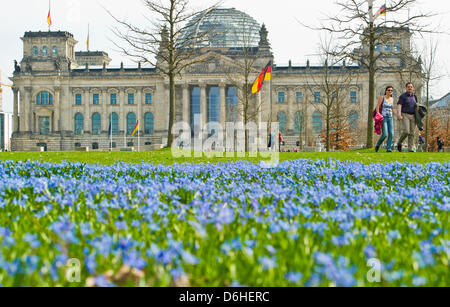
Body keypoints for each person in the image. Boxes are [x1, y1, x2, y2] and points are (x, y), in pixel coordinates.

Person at [397, 82, 419, 152]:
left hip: (413, 115)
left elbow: (417, 105)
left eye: (411, 87)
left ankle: (410, 148)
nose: (410, 88)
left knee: (412, 133)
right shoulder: (402, 96)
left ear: (413, 88)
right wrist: (399, 114)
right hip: (405, 114)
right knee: (406, 131)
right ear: (406, 88)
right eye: (408, 87)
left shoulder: (414, 96)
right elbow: (399, 105)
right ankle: (399, 142)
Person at [375, 86, 395, 153]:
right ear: (386, 91)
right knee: (385, 134)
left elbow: (392, 108)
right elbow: (377, 106)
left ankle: (388, 149)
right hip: (383, 117)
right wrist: (378, 114)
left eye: (391, 90)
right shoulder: (382, 97)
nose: (390, 91)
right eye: (389, 90)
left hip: (390, 117)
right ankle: (378, 145)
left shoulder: (392, 99)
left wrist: (397, 114)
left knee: (391, 134)